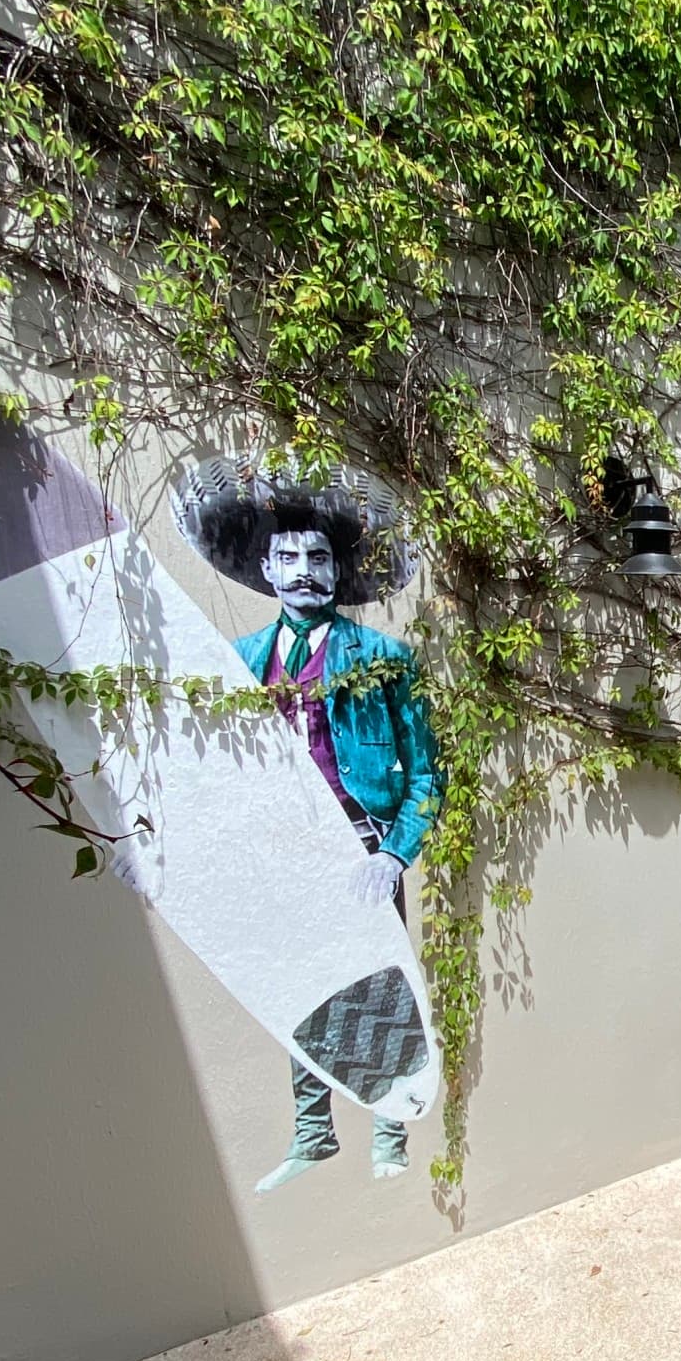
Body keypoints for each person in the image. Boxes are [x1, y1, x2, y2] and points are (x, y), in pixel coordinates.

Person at [223, 496, 444, 1188]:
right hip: (287, 858)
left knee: (380, 985)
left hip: (362, 848)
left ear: (337, 570)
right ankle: (313, 1131)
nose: (303, 572)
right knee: (304, 987)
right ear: (265, 568)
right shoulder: (239, 662)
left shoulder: (384, 658)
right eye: (287, 557)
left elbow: (429, 774)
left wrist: (393, 854)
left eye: (317, 557)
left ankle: (389, 1130)